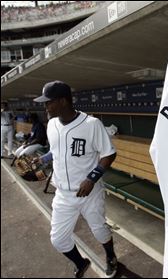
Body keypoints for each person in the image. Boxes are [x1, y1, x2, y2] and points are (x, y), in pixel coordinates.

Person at [33, 80, 118, 278]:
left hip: (89, 192)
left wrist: (92, 178)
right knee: (58, 239)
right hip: (63, 193)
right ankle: (81, 263)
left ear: (63, 101)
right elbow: (56, 152)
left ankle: (111, 256)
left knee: (100, 232)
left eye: (49, 102)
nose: (45, 106)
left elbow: (109, 154)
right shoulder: (51, 124)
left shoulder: (91, 124)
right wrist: (42, 160)